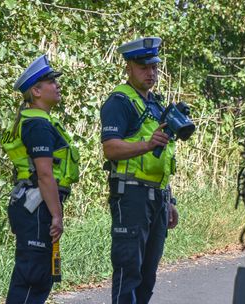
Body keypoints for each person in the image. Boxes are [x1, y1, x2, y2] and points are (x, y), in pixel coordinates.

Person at [100, 37, 179, 304]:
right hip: (131, 196)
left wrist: (170, 199)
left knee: (148, 276)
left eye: (154, 67)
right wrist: (146, 144)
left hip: (157, 198)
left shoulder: (155, 104)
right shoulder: (119, 102)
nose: (151, 72)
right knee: (129, 273)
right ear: (129, 68)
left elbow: (163, 157)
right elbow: (110, 148)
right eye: (143, 67)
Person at [1, 55, 80, 304]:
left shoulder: (36, 120)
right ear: (36, 91)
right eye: (50, 82)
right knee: (33, 278)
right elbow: (45, 174)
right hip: (37, 207)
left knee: (38, 276)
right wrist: (57, 215)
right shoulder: (37, 125)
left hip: (31, 205)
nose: (57, 86)